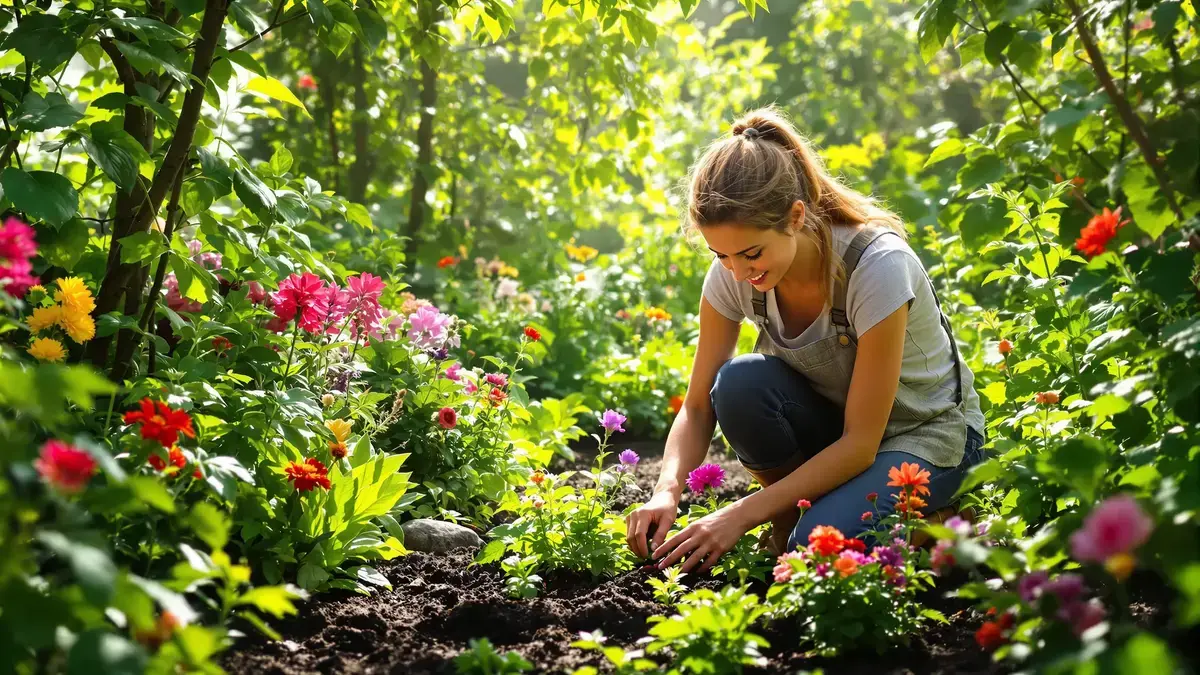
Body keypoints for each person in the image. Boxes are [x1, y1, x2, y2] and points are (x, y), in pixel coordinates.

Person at [624, 106, 987, 575]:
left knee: (814, 549)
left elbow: (861, 443)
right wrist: (666, 490)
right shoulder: (733, 273)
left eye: (751, 253)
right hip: (841, 436)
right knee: (739, 385)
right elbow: (696, 408)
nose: (738, 273)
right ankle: (791, 519)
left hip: (927, 439)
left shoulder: (876, 266)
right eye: (721, 255)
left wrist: (739, 515)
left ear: (796, 216)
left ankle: (949, 526)